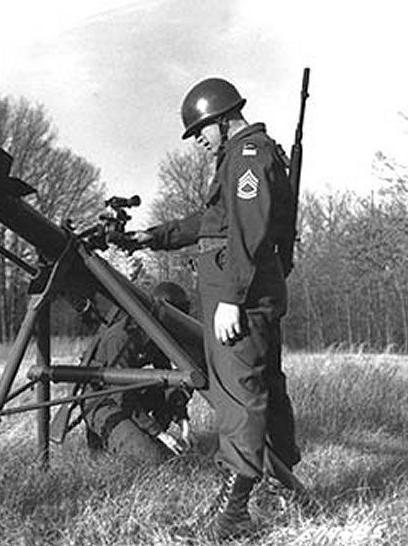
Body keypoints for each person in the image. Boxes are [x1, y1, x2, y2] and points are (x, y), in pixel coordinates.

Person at [127, 77, 301, 541]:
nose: (200, 142)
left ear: (221, 119)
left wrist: (231, 299)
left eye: (201, 131)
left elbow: (247, 230)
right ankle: (283, 490)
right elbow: (213, 222)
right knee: (260, 386)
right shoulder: (241, 156)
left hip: (239, 299)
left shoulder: (247, 155)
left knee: (240, 395)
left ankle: (234, 514)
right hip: (245, 294)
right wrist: (155, 236)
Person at [81, 282, 195, 464]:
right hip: (102, 401)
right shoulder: (121, 337)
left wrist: (183, 422)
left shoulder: (156, 336)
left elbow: (168, 381)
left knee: (177, 388)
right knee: (151, 459)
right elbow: (119, 395)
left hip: (129, 396)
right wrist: (159, 433)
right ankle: (104, 442)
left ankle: (148, 438)